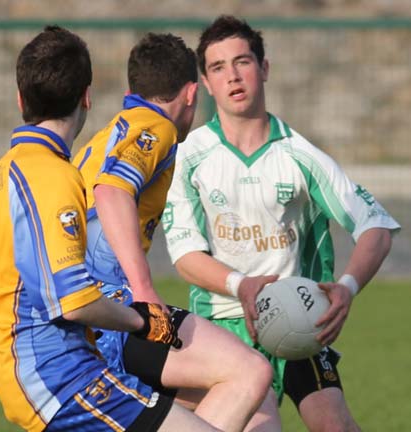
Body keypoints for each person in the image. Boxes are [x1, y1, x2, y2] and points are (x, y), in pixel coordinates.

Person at [0, 25, 227, 432]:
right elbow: (73, 301)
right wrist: (140, 319)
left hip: (25, 370)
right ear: (87, 98)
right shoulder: (55, 176)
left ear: (21, 99)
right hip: (58, 376)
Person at [163, 15, 401, 432]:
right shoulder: (189, 157)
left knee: (336, 427)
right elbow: (185, 256)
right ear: (205, 83)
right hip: (223, 326)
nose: (233, 76)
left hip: (300, 320)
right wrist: (243, 285)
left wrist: (346, 288)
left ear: (264, 68)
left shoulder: (300, 156)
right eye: (218, 67)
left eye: (243, 62)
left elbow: (375, 227)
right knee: (260, 426)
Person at [73, 32, 273, 431]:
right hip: (110, 311)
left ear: (133, 90)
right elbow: (112, 191)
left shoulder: (112, 131)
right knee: (250, 373)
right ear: (190, 94)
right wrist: (143, 289)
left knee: (254, 400)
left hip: (86, 312)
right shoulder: (155, 128)